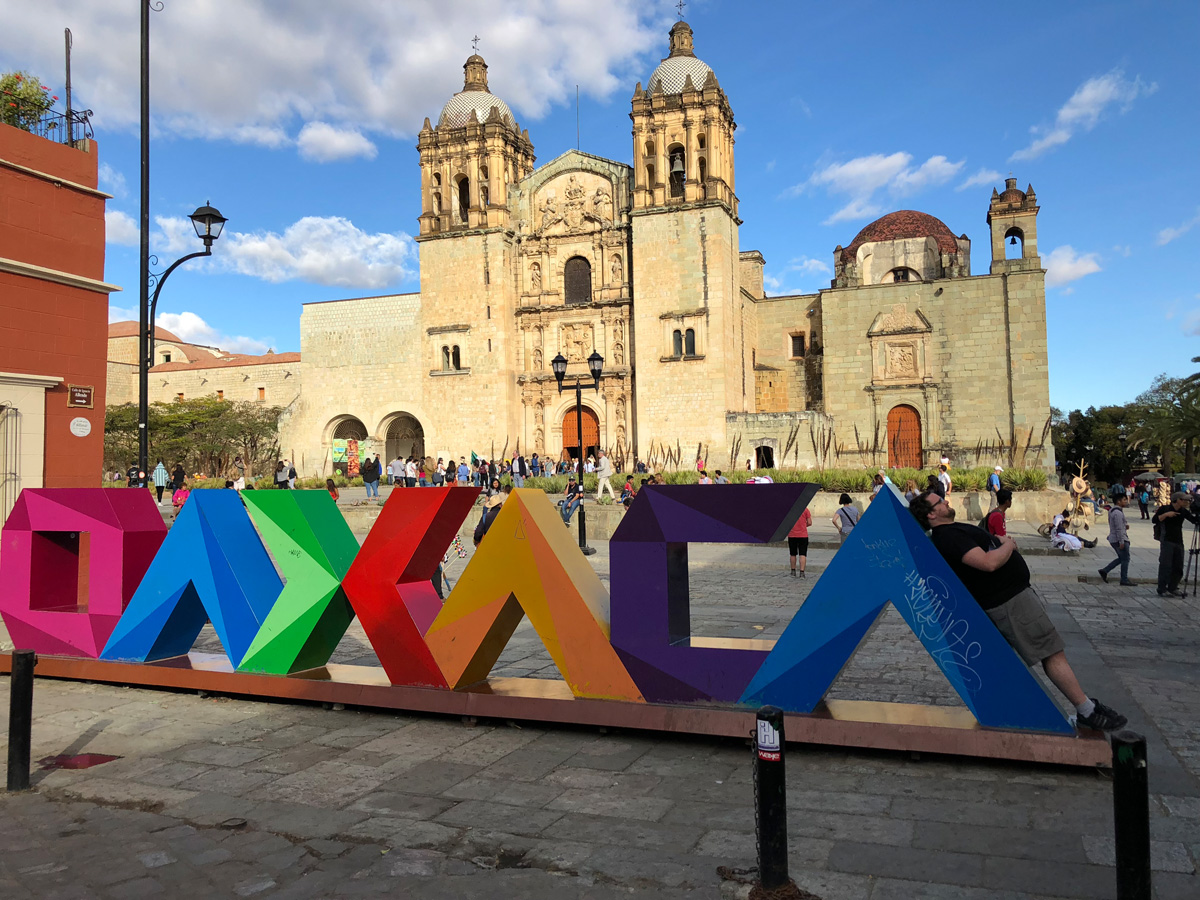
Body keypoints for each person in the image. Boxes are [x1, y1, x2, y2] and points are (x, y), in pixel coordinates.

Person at [908, 492, 1127, 732]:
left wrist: (1000, 543)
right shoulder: (947, 536)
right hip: (1010, 602)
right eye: (940, 501)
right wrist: (1008, 545)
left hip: (1011, 599)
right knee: (1050, 650)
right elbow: (987, 563)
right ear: (931, 513)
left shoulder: (950, 532)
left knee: (1044, 652)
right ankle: (1086, 710)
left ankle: (1063, 708)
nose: (946, 501)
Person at [1151, 492, 1200, 597]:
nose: (1186, 502)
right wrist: (1166, 515)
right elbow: (1154, 520)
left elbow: (1194, 520)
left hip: (1179, 541)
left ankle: (1173, 587)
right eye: (1184, 500)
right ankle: (1162, 588)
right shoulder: (1165, 508)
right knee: (1166, 565)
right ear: (1177, 500)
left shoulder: (1183, 511)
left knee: (1178, 566)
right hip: (1167, 540)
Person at [1098, 494, 1132, 586]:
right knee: (1125, 559)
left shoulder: (1113, 511)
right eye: (1124, 500)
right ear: (1118, 501)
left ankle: (1105, 570)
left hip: (1115, 538)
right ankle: (1124, 579)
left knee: (1122, 558)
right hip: (1119, 539)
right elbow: (1118, 529)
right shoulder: (1117, 513)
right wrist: (1121, 542)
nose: (1126, 501)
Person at [787, 506, 813, 577]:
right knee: (802, 554)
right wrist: (803, 525)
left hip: (792, 534)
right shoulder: (805, 510)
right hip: (803, 535)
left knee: (793, 554)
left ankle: (793, 571)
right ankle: (802, 572)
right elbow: (810, 522)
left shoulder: (790, 510)